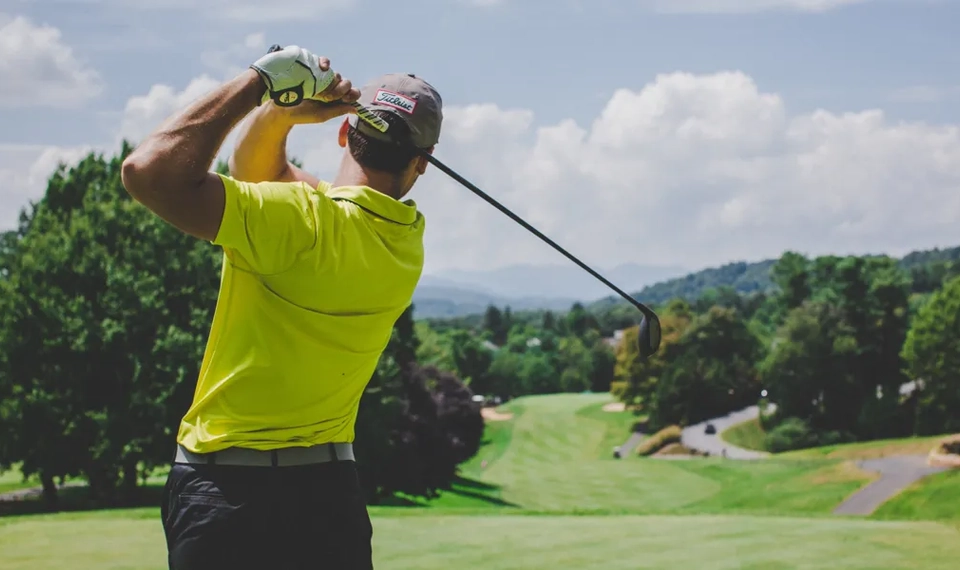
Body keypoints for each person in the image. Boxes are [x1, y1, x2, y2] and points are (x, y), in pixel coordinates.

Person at [121, 45, 443, 570]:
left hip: (224, 493)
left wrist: (261, 84)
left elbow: (146, 170)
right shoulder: (404, 246)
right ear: (421, 164)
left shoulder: (294, 221)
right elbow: (259, 173)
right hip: (330, 499)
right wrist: (278, 114)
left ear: (343, 132)